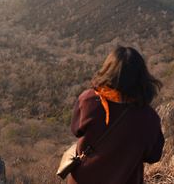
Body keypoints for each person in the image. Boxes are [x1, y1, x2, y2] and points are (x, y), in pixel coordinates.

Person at [67, 46, 165, 184]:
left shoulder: (88, 100)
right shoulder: (149, 118)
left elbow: (76, 130)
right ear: (142, 78)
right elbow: (154, 155)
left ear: (108, 71)